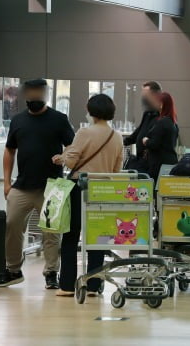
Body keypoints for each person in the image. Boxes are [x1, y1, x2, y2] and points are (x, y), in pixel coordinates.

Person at [0, 79, 75, 289]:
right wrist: (7, 183)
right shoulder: (18, 120)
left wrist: (63, 156)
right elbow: (10, 150)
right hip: (22, 186)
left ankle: (51, 273)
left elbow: (73, 148)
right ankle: (13, 270)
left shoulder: (59, 119)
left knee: (51, 232)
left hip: (53, 186)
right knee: (12, 225)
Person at [52, 94, 124, 297]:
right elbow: (117, 168)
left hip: (80, 187)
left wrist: (62, 158)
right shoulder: (117, 136)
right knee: (99, 237)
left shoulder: (84, 132)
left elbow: (73, 162)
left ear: (91, 111)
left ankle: (66, 285)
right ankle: (94, 285)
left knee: (71, 234)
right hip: (104, 189)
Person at [124, 81, 162, 170]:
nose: (143, 98)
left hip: (153, 162)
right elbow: (140, 130)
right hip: (141, 160)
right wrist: (125, 141)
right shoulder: (148, 113)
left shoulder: (163, 115)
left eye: (146, 95)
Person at [142, 92, 179, 181]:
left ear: (162, 104)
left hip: (159, 164)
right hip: (170, 161)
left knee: (155, 191)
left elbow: (154, 144)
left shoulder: (162, 122)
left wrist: (145, 140)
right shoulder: (173, 122)